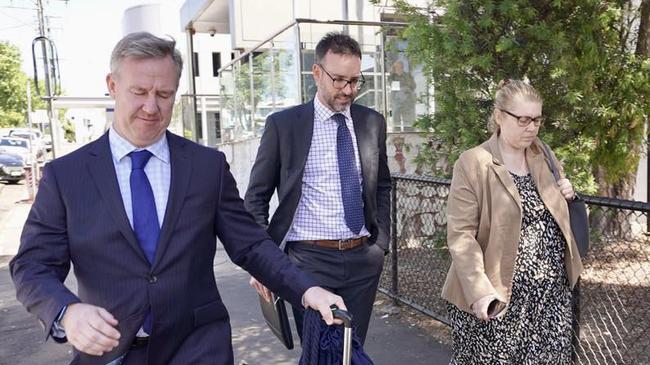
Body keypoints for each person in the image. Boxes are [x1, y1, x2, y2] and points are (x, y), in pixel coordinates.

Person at [10, 32, 346, 365]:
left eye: (164, 94)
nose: (151, 106)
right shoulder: (66, 176)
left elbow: (252, 245)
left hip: (198, 348)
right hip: (110, 353)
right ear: (112, 86)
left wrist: (307, 291)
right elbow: (32, 264)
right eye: (139, 91)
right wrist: (67, 312)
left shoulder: (206, 167)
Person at [244, 32, 391, 345]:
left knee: (351, 351)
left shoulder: (372, 123)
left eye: (354, 81)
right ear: (316, 73)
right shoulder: (284, 125)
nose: (348, 90)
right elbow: (256, 198)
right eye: (338, 80)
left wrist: (381, 246)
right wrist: (261, 261)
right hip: (307, 261)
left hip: (362, 258)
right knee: (320, 350)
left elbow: (382, 186)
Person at [441, 79, 584, 364]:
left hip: (549, 297)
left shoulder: (544, 156)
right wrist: (481, 293)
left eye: (536, 120)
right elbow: (461, 236)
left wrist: (568, 195)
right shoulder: (473, 162)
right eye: (522, 119)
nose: (530, 127)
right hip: (498, 297)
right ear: (499, 116)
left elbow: (554, 219)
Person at [388, 60, 416, 127]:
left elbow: (413, 86)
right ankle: (396, 134)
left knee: (408, 120)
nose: (399, 68)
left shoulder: (407, 76)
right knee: (396, 120)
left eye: (401, 67)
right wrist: (405, 87)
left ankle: (409, 132)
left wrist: (407, 86)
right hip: (396, 100)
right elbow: (393, 86)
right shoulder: (392, 76)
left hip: (407, 100)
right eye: (397, 67)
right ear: (394, 68)